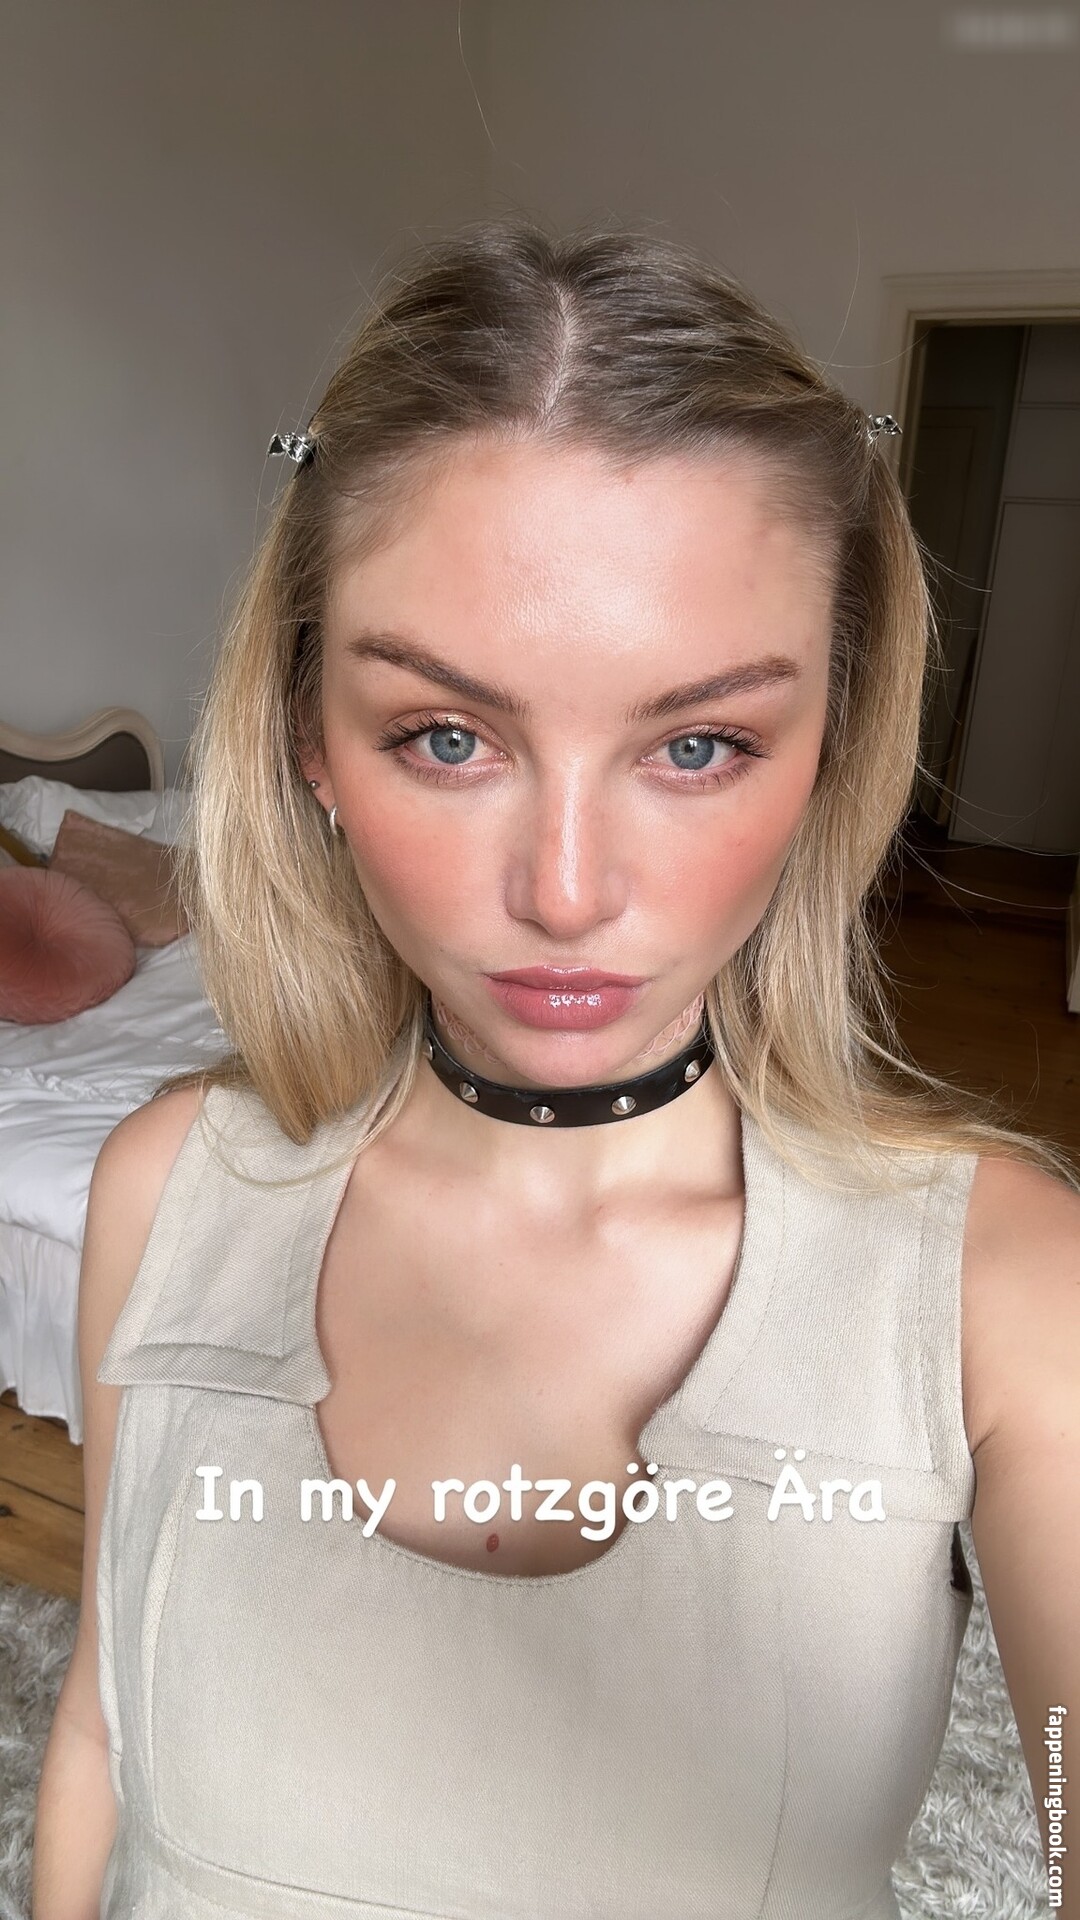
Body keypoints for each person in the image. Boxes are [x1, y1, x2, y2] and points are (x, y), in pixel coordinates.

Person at [33, 220, 1079, 1920]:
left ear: (830, 748)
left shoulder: (997, 1281)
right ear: (311, 741)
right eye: (448, 738)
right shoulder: (166, 1189)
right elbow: (99, 1725)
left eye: (699, 744)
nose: (570, 892)